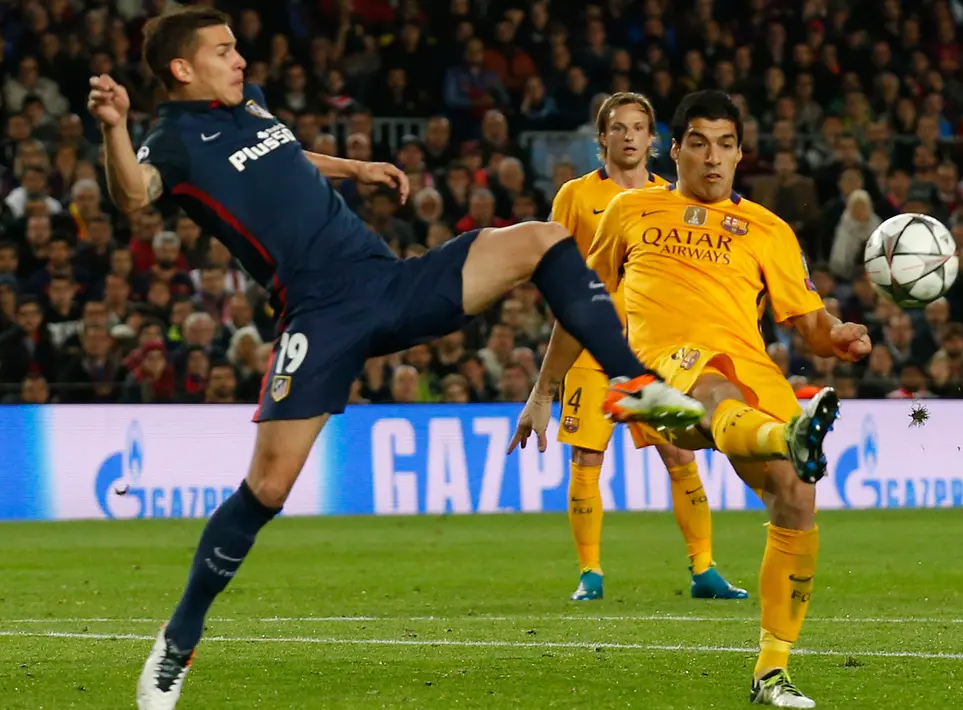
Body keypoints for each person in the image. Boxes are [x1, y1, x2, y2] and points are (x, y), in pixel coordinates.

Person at [95, 9, 703, 709]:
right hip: (319, 317)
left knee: (540, 239)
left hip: (388, 282)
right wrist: (113, 125)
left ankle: (634, 382)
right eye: (224, 51)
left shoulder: (249, 105)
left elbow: (281, 157)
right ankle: (179, 638)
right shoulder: (172, 139)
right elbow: (135, 195)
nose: (240, 59)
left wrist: (355, 167)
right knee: (266, 490)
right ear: (181, 68)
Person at [510, 90, 872, 708]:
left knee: (797, 495)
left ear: (739, 154)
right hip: (657, 376)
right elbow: (581, 306)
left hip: (752, 371)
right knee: (713, 388)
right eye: (699, 143)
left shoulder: (769, 229)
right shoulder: (631, 209)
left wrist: (838, 335)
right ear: (673, 150)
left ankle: (772, 674)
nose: (713, 158)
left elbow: (809, 321)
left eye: (726, 145)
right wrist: (544, 390)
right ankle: (787, 437)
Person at [539, 91, 745, 602]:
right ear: (602, 138)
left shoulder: (672, 196)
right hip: (591, 347)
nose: (629, 136)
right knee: (587, 458)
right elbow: (557, 266)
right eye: (618, 128)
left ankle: (704, 569)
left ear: (653, 141)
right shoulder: (575, 196)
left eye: (638, 128)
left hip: (653, 347)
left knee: (679, 453)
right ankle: (590, 574)